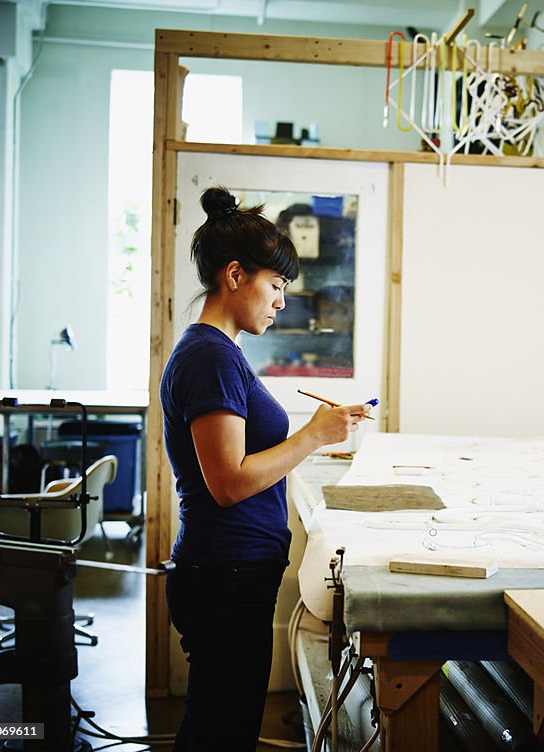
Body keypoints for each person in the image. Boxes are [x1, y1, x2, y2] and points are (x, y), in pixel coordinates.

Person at [160, 186, 370, 752]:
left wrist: (316, 438)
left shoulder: (221, 352)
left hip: (234, 571)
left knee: (223, 724)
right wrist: (311, 436)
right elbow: (228, 483)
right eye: (275, 286)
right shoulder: (209, 357)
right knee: (218, 732)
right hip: (223, 573)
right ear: (234, 276)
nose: (281, 301)